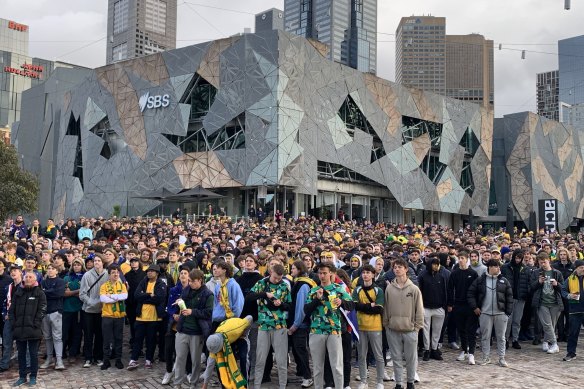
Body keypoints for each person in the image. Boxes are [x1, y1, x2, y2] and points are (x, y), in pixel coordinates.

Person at [304, 262, 354, 389]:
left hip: (334, 331)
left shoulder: (338, 289)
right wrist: (317, 299)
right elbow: (306, 310)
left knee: (337, 366)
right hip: (316, 331)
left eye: (325, 273)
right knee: (317, 366)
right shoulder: (313, 290)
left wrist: (341, 302)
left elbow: (351, 305)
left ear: (331, 273)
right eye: (320, 273)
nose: (322, 276)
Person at [383, 258, 424, 389]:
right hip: (393, 329)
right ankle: (398, 383)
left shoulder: (414, 289)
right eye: (395, 267)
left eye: (400, 267)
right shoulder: (389, 288)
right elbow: (386, 308)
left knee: (411, 359)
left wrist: (417, 327)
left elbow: (419, 309)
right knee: (396, 358)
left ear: (406, 269)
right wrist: (386, 324)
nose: (397, 269)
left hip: (410, 330)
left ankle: (410, 382)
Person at [249, 263, 291, 389]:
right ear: (270, 272)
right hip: (263, 325)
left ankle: (282, 385)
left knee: (281, 359)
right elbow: (249, 297)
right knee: (260, 359)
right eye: (275, 278)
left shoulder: (285, 285)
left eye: (279, 278)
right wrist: (264, 294)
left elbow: (289, 306)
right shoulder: (261, 283)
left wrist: (281, 304)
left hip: (280, 326)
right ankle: (257, 385)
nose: (277, 280)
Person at [467, 259, 513, 367]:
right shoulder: (480, 280)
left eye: (498, 266)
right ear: (490, 267)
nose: (498, 269)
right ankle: (485, 357)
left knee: (501, 337)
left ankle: (501, 358)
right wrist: (475, 307)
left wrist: (507, 313)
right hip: (485, 313)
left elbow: (509, 297)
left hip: (500, 314)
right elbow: (470, 293)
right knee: (485, 337)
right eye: (496, 266)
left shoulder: (504, 280)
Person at [172, 269, 213, 389]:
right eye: (189, 281)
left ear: (200, 280)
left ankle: (193, 383)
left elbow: (208, 312)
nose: (189, 283)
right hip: (183, 329)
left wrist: (192, 311)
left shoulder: (208, 294)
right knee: (179, 358)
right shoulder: (186, 290)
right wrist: (180, 302)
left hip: (197, 332)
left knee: (196, 360)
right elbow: (182, 301)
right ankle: (177, 383)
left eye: (192, 281)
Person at [9, 270, 47, 387]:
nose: (28, 279)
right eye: (27, 277)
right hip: (19, 329)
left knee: (33, 354)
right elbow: (12, 310)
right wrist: (14, 323)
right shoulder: (18, 292)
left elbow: (42, 309)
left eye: (31, 277)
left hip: (33, 329)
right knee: (21, 354)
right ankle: (22, 376)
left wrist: (36, 323)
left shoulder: (39, 293)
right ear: (24, 279)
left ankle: (33, 376)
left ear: (35, 280)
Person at [128, 264, 167, 370]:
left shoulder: (161, 284)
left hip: (154, 318)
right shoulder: (143, 282)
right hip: (140, 317)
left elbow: (159, 298)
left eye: (152, 271)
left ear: (157, 273)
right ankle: (133, 360)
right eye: (148, 271)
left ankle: (149, 360)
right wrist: (149, 295)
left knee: (151, 340)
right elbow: (136, 295)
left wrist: (144, 296)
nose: (149, 273)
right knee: (137, 339)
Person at [353, 264, 385, 389]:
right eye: (364, 272)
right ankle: (363, 381)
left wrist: (364, 306)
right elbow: (355, 306)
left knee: (378, 355)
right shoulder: (357, 290)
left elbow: (378, 309)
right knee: (361, 355)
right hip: (360, 326)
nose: (365, 275)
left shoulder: (378, 290)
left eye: (368, 272)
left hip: (375, 326)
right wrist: (369, 305)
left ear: (373, 275)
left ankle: (380, 381)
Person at [202, 315, 254, 389]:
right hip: (228, 339)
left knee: (244, 358)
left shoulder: (237, 328)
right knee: (219, 362)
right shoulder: (214, 342)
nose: (217, 352)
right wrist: (205, 386)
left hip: (238, 335)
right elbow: (210, 365)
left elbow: (250, 318)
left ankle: (245, 386)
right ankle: (226, 386)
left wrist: (245, 334)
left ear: (221, 344)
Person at [446, 250, 479, 364]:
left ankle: (471, 354)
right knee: (461, 330)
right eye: (459, 258)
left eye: (463, 258)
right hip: (458, 305)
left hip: (470, 306)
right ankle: (464, 350)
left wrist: (476, 306)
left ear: (467, 259)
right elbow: (450, 289)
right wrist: (450, 304)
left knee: (471, 330)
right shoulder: (454, 273)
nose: (460, 260)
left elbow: (477, 291)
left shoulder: (473, 273)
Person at [288, 260, 316, 388]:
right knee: (297, 350)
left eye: (293, 268)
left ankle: (307, 376)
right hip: (298, 323)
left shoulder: (303, 285)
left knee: (301, 351)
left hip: (301, 324)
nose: (291, 271)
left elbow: (301, 308)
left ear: (299, 270)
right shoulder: (299, 283)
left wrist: (295, 325)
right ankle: (303, 373)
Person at [530, 251, 564, 355]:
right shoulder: (536, 273)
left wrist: (556, 284)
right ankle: (554, 344)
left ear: (548, 260)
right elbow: (531, 287)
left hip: (555, 302)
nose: (543, 264)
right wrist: (538, 282)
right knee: (547, 324)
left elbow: (563, 288)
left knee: (551, 325)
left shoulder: (557, 273)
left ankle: (546, 341)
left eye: (544, 262)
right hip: (542, 302)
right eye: (540, 263)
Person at [418, 255, 450, 361]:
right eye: (434, 264)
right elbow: (419, 291)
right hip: (426, 307)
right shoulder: (422, 275)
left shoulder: (441, 276)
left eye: (437, 264)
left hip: (439, 307)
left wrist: (445, 305)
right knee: (426, 330)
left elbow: (446, 291)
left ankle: (434, 349)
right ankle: (427, 350)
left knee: (437, 330)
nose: (436, 266)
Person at [79, 253, 108, 368]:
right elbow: (82, 294)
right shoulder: (87, 275)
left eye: (98, 261)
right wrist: (91, 302)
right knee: (88, 335)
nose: (96, 262)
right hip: (88, 310)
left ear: (103, 262)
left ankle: (98, 357)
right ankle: (88, 358)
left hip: (102, 310)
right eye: (95, 261)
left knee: (100, 335)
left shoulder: (107, 274)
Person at [99, 264, 128, 370]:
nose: (116, 274)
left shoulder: (122, 285)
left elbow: (125, 296)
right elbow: (103, 299)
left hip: (119, 316)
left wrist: (111, 296)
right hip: (107, 316)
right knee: (106, 339)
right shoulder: (104, 286)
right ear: (109, 274)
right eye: (113, 272)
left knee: (118, 338)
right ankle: (106, 360)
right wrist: (117, 298)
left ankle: (118, 360)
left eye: (117, 272)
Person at [501, 249, 530, 349]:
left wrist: (526, 293)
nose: (518, 260)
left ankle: (515, 339)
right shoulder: (505, 267)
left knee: (517, 320)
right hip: (508, 297)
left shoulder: (525, 269)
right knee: (508, 320)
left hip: (520, 298)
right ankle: (505, 340)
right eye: (516, 258)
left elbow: (527, 283)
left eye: (520, 258)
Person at [40, 263, 66, 370]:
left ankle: (59, 360)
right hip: (45, 312)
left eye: (52, 268)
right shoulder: (43, 282)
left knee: (57, 337)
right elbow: (41, 294)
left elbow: (59, 294)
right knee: (47, 337)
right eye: (49, 268)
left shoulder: (61, 281)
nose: (50, 270)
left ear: (57, 271)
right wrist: (49, 292)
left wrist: (47, 292)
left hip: (56, 311)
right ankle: (49, 358)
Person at [0, 264, 23, 372]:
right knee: (7, 341)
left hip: (21, 318)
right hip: (9, 318)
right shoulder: (8, 287)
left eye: (15, 271)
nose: (13, 273)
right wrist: (4, 313)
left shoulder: (25, 286)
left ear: (20, 273)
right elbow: (5, 302)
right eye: (11, 271)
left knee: (22, 341)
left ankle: (23, 363)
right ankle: (4, 364)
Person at [561, 259, 584, 361]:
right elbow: (563, 290)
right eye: (581, 267)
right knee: (573, 333)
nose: (583, 269)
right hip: (575, 309)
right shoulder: (570, 278)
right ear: (576, 268)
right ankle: (571, 353)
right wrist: (569, 295)